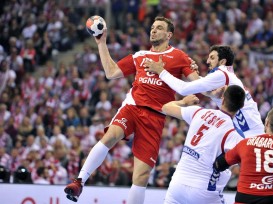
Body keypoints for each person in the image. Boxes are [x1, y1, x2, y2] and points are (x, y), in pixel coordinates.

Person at [64, 16, 200, 203]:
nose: (153, 30)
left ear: (169, 34)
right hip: (133, 107)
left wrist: (215, 89)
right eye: (152, 27)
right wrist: (102, 43)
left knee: (141, 177)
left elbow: (198, 82)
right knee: (110, 136)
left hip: (156, 116)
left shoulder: (179, 57)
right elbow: (111, 73)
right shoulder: (140, 56)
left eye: (159, 28)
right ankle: (79, 181)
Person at [144, 45, 264, 138]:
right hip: (247, 133)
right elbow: (205, 89)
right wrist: (189, 73)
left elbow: (183, 89)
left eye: (212, 58)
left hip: (253, 135)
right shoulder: (227, 76)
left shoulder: (221, 74)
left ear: (222, 62)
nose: (207, 61)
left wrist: (161, 71)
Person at [162, 85, 245, 204]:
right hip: (204, 191)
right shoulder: (234, 134)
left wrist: (184, 101)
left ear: (223, 98)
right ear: (241, 107)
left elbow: (166, 107)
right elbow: (246, 163)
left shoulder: (198, 112)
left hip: (178, 184)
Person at [213, 105, 273, 204]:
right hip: (271, 200)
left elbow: (219, 164)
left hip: (243, 200)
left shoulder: (245, 144)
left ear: (266, 122)